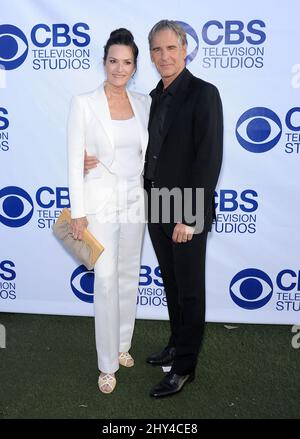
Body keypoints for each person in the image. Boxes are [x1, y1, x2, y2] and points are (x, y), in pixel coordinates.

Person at [85, 19, 223, 398]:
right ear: (151, 55)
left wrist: (189, 217)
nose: (165, 56)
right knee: (172, 284)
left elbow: (208, 160)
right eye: (157, 50)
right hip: (154, 205)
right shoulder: (151, 97)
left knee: (190, 289)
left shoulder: (204, 93)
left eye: (171, 48)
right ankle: (176, 344)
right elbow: (130, 146)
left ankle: (184, 367)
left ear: (184, 49)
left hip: (184, 209)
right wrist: (89, 159)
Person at [68, 28, 150, 394]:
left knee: (129, 274)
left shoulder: (144, 102)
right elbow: (73, 161)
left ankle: (122, 345)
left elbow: (148, 155)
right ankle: (106, 364)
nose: (119, 68)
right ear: (104, 62)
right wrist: (79, 211)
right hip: (98, 202)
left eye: (127, 62)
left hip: (136, 200)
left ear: (135, 66)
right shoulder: (83, 103)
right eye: (113, 61)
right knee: (104, 279)